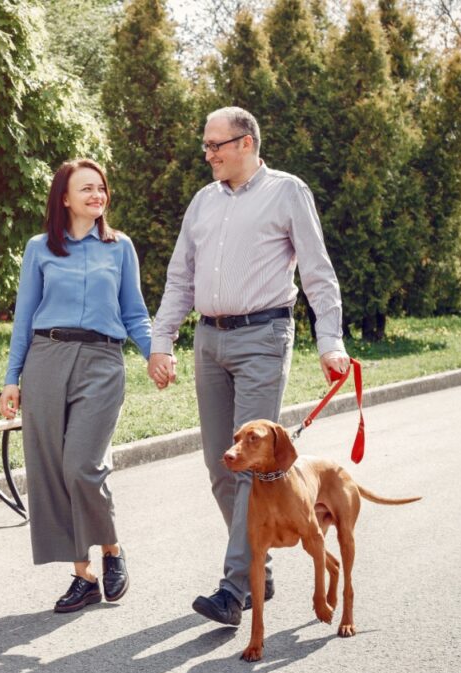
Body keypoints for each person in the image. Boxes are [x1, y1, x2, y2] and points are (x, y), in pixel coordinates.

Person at [147, 107, 351, 626]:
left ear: (248, 143)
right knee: (225, 465)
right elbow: (180, 277)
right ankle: (258, 565)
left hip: (264, 335)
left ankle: (235, 588)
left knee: (253, 468)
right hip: (209, 340)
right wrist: (162, 340)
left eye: (218, 144)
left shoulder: (286, 192)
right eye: (206, 145)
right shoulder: (202, 202)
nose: (209, 153)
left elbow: (317, 271)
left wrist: (330, 340)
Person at [0, 158, 160, 613]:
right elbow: (24, 318)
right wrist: (12, 378)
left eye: (101, 188)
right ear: (64, 198)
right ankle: (83, 575)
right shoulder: (40, 248)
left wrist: (153, 353)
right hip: (46, 358)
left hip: (102, 361)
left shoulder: (119, 247)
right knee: (51, 470)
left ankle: (111, 549)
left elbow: (134, 312)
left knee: (82, 466)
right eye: (86, 188)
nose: (96, 195)